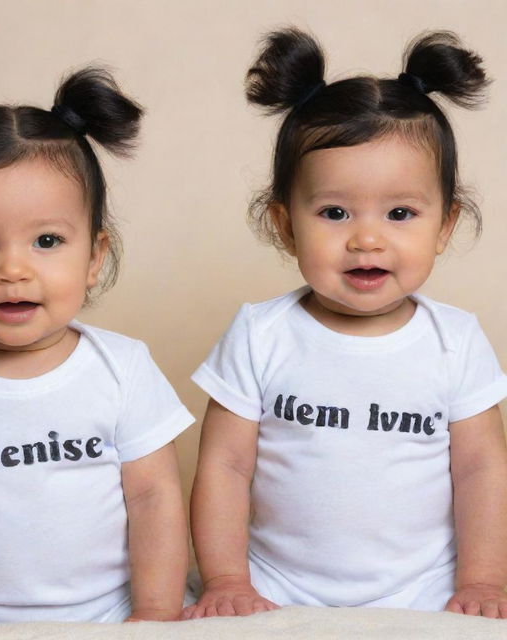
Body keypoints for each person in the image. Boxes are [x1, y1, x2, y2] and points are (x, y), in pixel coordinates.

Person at [182, 29, 507, 620]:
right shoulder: (261, 334)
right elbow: (226, 467)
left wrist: (484, 579)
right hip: (277, 584)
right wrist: (227, 578)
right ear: (285, 224)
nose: (366, 238)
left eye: (401, 212)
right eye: (334, 212)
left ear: (445, 224)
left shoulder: (454, 341)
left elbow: (482, 468)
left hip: (426, 588)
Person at [0, 67, 194, 630]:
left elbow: (154, 501)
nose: (13, 270)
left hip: (108, 616)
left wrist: (155, 614)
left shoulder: (120, 368)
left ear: (94, 256)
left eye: (47, 241)